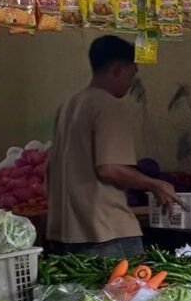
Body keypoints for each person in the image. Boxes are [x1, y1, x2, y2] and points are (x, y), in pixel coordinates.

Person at [46, 35, 181, 257]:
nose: (131, 82)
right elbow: (109, 169)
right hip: (105, 231)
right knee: (130, 281)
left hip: (66, 231)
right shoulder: (108, 105)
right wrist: (155, 184)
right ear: (118, 70)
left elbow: (51, 167)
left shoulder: (68, 105)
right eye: (132, 73)